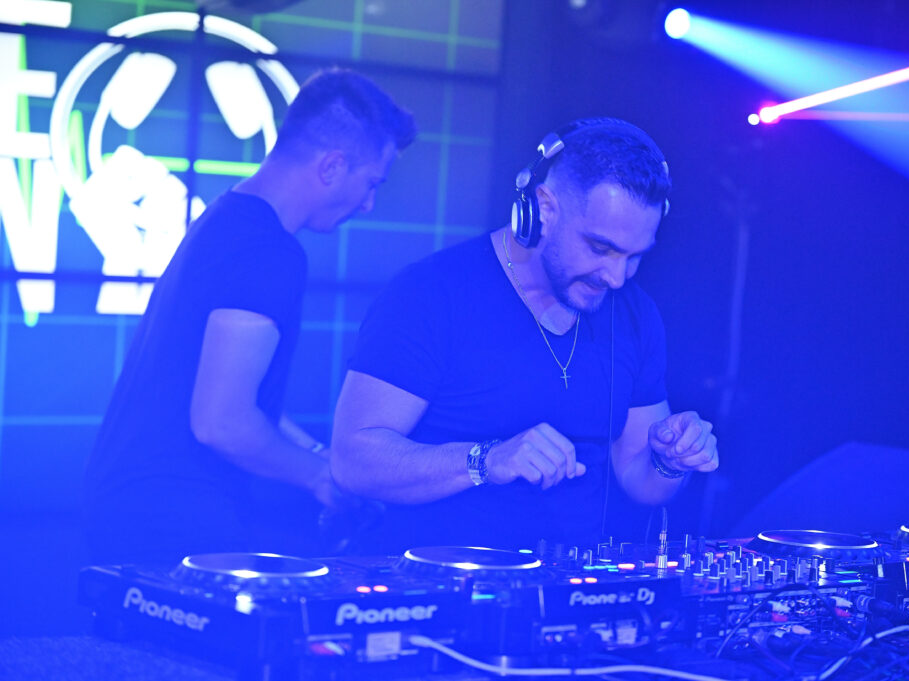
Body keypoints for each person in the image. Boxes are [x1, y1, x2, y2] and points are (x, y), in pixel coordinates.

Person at [330, 118, 717, 554]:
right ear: (543, 209)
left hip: (572, 586)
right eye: (600, 248)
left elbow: (639, 479)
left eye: (634, 257)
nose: (616, 277)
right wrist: (485, 460)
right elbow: (352, 461)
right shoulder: (431, 295)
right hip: (443, 582)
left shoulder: (635, 314)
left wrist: (670, 460)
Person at [83, 68, 416, 564]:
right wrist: (320, 478)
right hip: (172, 522)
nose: (368, 205)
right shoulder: (269, 250)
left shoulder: (226, 220)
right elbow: (221, 422)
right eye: (371, 184)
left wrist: (321, 457)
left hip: (132, 509)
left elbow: (232, 393)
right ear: (332, 166)